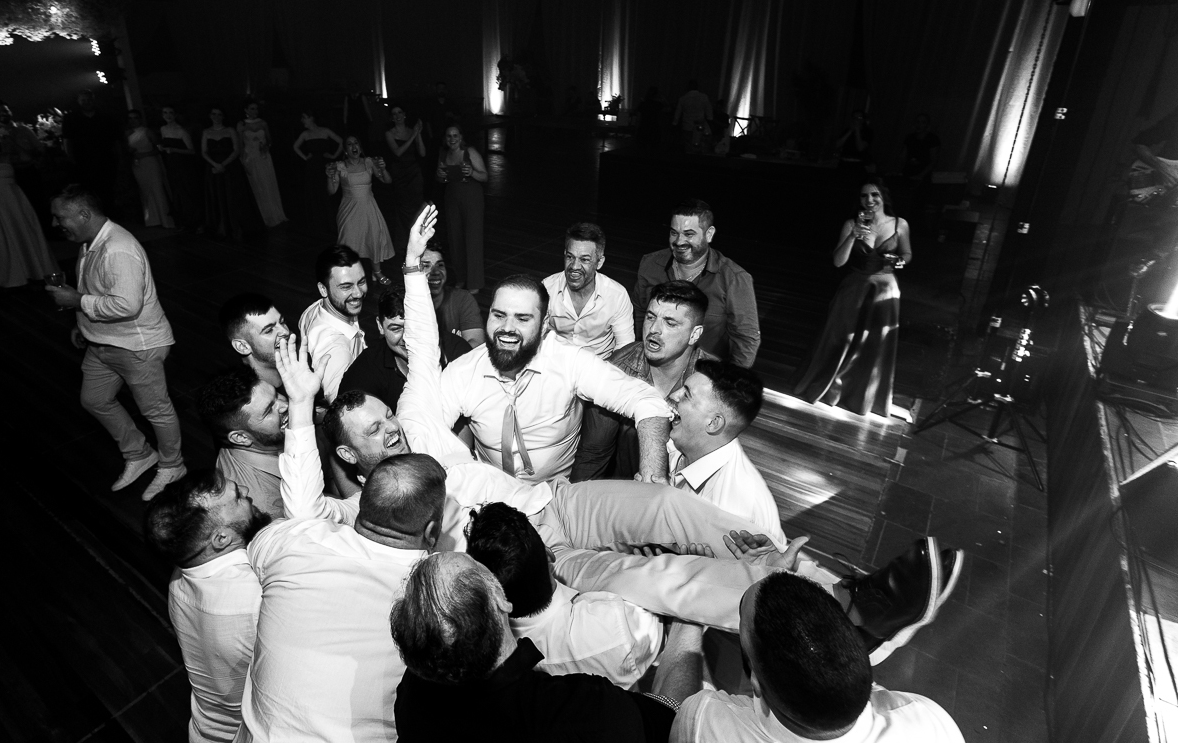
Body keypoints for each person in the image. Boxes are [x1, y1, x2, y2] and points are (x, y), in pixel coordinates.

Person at [279, 206, 955, 664]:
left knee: (672, 508)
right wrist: (303, 409)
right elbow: (304, 511)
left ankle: (836, 587)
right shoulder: (364, 517)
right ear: (352, 459)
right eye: (375, 433)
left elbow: (423, 347)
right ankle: (831, 621)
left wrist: (412, 270)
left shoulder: (422, 417)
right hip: (528, 559)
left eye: (388, 418)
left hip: (559, 501)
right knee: (657, 581)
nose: (392, 431)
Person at [391, 550, 704, 743]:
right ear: (501, 600)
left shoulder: (414, 695)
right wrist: (688, 614)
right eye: (477, 565)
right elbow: (674, 716)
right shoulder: (582, 711)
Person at [239, 453, 446, 743]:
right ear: (432, 531)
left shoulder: (296, 537)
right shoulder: (434, 597)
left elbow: (256, 551)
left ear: (361, 504)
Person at [672, 571, 965, 743]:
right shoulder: (930, 724)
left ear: (756, 683)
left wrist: (688, 618)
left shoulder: (705, 724)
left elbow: (672, 705)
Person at [439, 271, 671, 485]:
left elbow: (645, 400)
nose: (507, 328)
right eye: (499, 315)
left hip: (557, 496)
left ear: (543, 325)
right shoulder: (463, 371)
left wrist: (651, 479)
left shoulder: (569, 360)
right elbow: (428, 426)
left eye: (522, 319)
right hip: (489, 491)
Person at [46, 185, 186, 500]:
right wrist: (82, 324)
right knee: (95, 399)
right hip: (103, 342)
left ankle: (173, 464)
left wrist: (77, 301)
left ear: (83, 214)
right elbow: (97, 291)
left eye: (59, 217)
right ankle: (139, 453)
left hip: (137, 346)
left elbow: (127, 305)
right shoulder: (90, 243)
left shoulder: (118, 249)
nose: (55, 224)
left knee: (156, 410)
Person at [466, 501, 665, 689]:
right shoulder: (617, 623)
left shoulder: (487, 656)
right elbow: (666, 618)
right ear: (550, 554)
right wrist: (647, 570)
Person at [143, 469, 271, 743]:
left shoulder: (180, 579)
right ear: (221, 539)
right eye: (237, 497)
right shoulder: (257, 595)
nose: (247, 491)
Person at [794, 180, 911, 418]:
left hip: (885, 289)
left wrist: (900, 261)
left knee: (875, 344)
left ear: (883, 197)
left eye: (874, 195)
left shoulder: (900, 224)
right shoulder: (851, 224)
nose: (869, 200)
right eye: (864, 196)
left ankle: (863, 397)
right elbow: (838, 262)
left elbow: (907, 254)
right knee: (839, 338)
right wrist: (852, 236)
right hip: (855, 286)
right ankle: (831, 389)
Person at [575, 281, 714, 481]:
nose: (654, 329)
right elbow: (594, 453)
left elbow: (709, 465)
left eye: (670, 323)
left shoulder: (712, 383)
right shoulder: (618, 368)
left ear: (694, 334)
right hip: (622, 486)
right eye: (650, 317)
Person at [632, 199, 760, 367]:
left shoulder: (734, 278)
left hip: (704, 372)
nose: (679, 241)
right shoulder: (650, 264)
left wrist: (729, 378)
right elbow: (640, 313)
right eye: (674, 233)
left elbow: (746, 338)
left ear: (709, 234)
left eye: (689, 234)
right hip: (653, 365)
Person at [666, 359, 782, 539]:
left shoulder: (732, 512)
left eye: (686, 395)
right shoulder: (687, 440)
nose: (674, 395)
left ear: (713, 423)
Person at [339, 287, 471, 413]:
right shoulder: (367, 368)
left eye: (415, 327)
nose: (407, 338)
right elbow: (345, 418)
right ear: (380, 326)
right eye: (396, 329)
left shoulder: (458, 353)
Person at [198, 366, 290, 520]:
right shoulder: (266, 504)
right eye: (269, 410)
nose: (285, 405)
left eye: (276, 394)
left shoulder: (266, 440)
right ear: (241, 438)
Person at [0, 125, 58, 300]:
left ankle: (32, 275)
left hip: (13, 202)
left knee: (23, 236)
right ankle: (0, 282)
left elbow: (30, 158)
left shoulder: (7, 156)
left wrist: (12, 139)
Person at [543, 222, 634, 359]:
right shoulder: (547, 288)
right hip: (556, 362)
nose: (574, 266)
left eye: (584, 260)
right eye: (570, 257)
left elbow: (625, 348)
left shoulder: (617, 295)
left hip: (600, 364)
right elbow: (534, 334)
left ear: (599, 262)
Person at [299, 244, 368, 403]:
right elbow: (342, 406)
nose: (358, 293)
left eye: (361, 282)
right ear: (323, 289)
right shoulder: (336, 350)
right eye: (346, 287)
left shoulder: (319, 308)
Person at [329, 135, 395, 285]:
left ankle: (377, 272)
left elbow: (387, 180)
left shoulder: (369, 162)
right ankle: (348, 275)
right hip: (349, 211)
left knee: (373, 238)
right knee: (348, 242)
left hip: (369, 208)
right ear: (345, 150)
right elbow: (332, 191)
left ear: (360, 147)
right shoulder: (340, 166)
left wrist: (383, 168)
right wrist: (330, 177)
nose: (354, 146)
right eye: (350, 144)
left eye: (356, 143)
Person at [435, 125, 486, 293]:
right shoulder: (444, 154)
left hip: (472, 198)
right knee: (455, 239)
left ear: (461, 137)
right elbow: (441, 178)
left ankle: (474, 282)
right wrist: (440, 176)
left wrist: (471, 172)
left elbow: (484, 176)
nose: (452, 139)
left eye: (455, 135)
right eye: (449, 136)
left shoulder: (470, 152)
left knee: (472, 239)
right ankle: (461, 278)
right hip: (452, 198)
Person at [62, 89, 120, 212]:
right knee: (87, 191)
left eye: (89, 100)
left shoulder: (105, 116)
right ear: (78, 101)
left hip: (105, 159)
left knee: (107, 189)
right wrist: (71, 159)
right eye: (83, 100)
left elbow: (114, 138)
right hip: (83, 161)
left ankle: (109, 213)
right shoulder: (71, 118)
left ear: (94, 100)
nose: (87, 102)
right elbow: (67, 140)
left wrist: (117, 157)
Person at [219, 292, 291, 391]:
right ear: (243, 347)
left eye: (282, 322)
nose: (285, 331)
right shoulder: (250, 397)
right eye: (269, 330)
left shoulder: (302, 361)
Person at [419, 240, 483, 347]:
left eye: (440, 265)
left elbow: (476, 343)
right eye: (425, 266)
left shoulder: (462, 299)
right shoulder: (400, 303)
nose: (436, 272)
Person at [237, 101, 287, 228]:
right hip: (250, 157)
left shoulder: (263, 123)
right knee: (256, 184)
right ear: (246, 110)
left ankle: (273, 213)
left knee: (268, 183)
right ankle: (261, 216)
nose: (255, 111)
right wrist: (242, 159)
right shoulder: (242, 124)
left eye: (256, 109)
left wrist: (266, 146)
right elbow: (240, 144)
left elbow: (269, 140)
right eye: (252, 108)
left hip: (263, 156)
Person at [202, 107, 248, 239]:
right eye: (214, 114)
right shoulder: (206, 132)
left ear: (223, 116)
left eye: (219, 114)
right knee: (217, 196)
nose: (216, 117)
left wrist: (223, 164)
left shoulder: (230, 130)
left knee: (232, 196)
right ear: (210, 116)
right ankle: (221, 226)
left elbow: (236, 150)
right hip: (213, 167)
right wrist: (215, 164)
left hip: (230, 167)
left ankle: (236, 226)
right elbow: (204, 152)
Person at [126, 109, 176, 228]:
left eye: (135, 118)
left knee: (157, 189)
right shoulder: (127, 133)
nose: (133, 121)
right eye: (130, 118)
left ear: (140, 119)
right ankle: (153, 219)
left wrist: (145, 154)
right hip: (138, 165)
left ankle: (166, 219)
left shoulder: (147, 132)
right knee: (145, 191)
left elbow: (159, 148)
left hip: (150, 162)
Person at [383, 105, 426, 246]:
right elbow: (398, 152)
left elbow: (422, 153)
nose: (397, 115)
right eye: (394, 113)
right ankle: (406, 241)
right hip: (400, 173)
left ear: (404, 114)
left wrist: (418, 133)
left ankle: (420, 238)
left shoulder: (411, 131)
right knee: (403, 207)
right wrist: (413, 135)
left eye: (399, 112)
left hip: (414, 172)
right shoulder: (389, 133)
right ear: (391, 117)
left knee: (417, 205)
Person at [292, 111, 342, 223]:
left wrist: (334, 156)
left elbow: (341, 142)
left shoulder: (325, 130)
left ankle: (330, 216)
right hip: (312, 166)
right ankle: (318, 218)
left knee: (327, 189)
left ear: (311, 118)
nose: (302, 120)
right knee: (314, 191)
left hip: (325, 165)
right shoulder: (305, 134)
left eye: (304, 117)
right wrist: (305, 158)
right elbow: (295, 147)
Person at [158, 106, 200, 230]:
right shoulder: (163, 129)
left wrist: (174, 150)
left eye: (171, 113)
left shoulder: (181, 131)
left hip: (183, 165)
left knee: (187, 192)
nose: (168, 115)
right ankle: (182, 222)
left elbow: (192, 151)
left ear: (175, 115)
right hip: (171, 165)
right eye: (165, 113)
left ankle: (195, 222)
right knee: (176, 192)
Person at [672, 80, 713, 153]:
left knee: (688, 146)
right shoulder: (704, 97)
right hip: (700, 125)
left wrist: (674, 123)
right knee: (699, 146)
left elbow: (677, 114)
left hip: (687, 125)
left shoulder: (683, 98)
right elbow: (709, 111)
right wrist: (710, 119)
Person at [835, 110, 874, 179]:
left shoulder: (867, 132)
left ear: (863, 120)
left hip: (856, 165)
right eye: (854, 117)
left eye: (859, 118)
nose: (856, 120)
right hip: (843, 164)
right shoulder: (847, 130)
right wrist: (850, 131)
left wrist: (857, 131)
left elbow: (860, 148)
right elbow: (837, 145)